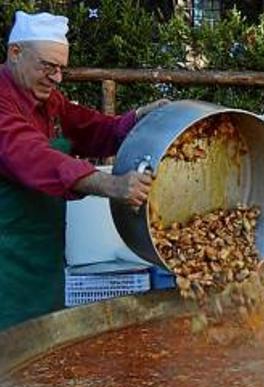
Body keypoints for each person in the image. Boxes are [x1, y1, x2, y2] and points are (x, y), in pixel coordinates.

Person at [0, 11, 167, 329]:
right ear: (15, 53)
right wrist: (114, 186)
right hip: (5, 267)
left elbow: (95, 130)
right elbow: (34, 158)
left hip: (43, 259)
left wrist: (139, 117)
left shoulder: (51, 101)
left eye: (61, 69)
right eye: (47, 67)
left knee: (42, 351)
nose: (56, 78)